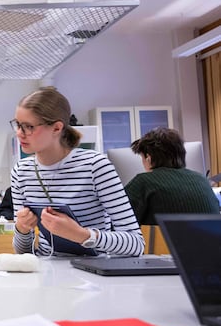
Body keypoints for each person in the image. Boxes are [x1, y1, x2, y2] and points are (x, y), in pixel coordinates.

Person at [10, 86, 144, 257]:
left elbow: (136, 244)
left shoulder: (95, 166)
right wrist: (21, 230)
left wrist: (82, 235)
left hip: (95, 275)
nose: (19, 133)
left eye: (28, 126)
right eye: (17, 125)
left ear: (57, 128)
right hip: (46, 275)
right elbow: (23, 254)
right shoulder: (21, 172)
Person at [125, 127, 219, 225]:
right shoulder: (202, 180)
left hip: (164, 240)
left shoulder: (143, 182)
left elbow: (117, 223)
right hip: (209, 239)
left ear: (149, 158)